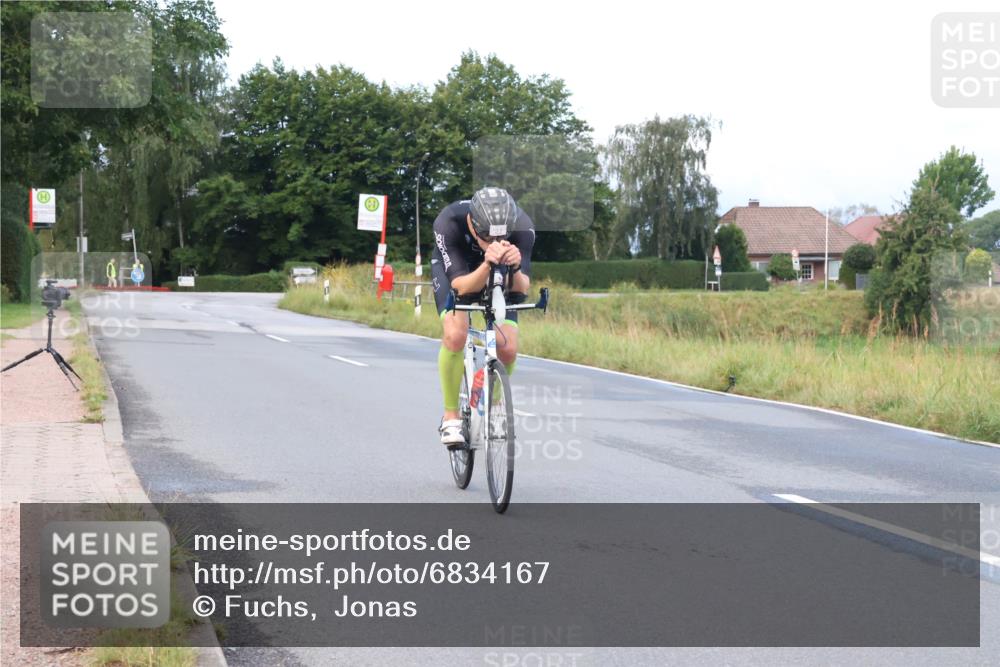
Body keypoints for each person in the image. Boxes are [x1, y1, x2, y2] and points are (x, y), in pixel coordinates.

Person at [431, 187, 535, 447]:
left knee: (508, 348)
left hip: (500, 272)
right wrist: (488, 264)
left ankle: (495, 403)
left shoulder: (522, 227)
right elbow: (462, 287)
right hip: (459, 273)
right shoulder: (449, 222)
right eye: (487, 237)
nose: (495, 243)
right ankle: (451, 415)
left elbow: (521, 287)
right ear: (473, 225)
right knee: (455, 335)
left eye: (501, 237)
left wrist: (513, 267)